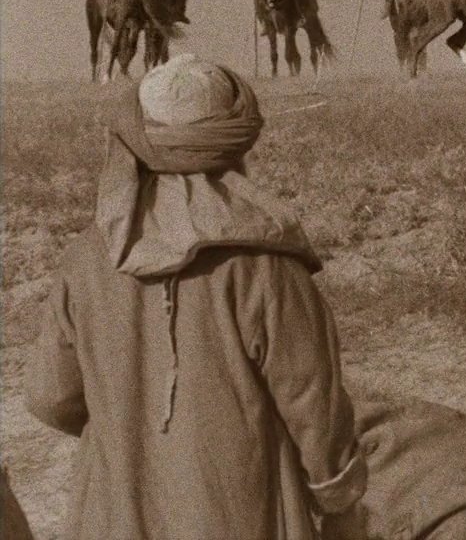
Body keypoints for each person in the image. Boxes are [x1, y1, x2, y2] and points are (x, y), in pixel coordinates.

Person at [25, 54, 368, 540]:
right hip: (241, 510)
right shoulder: (267, 263)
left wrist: (129, 429)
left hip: (114, 510)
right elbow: (314, 405)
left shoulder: (86, 258)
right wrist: (339, 501)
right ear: (235, 142)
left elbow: (49, 397)